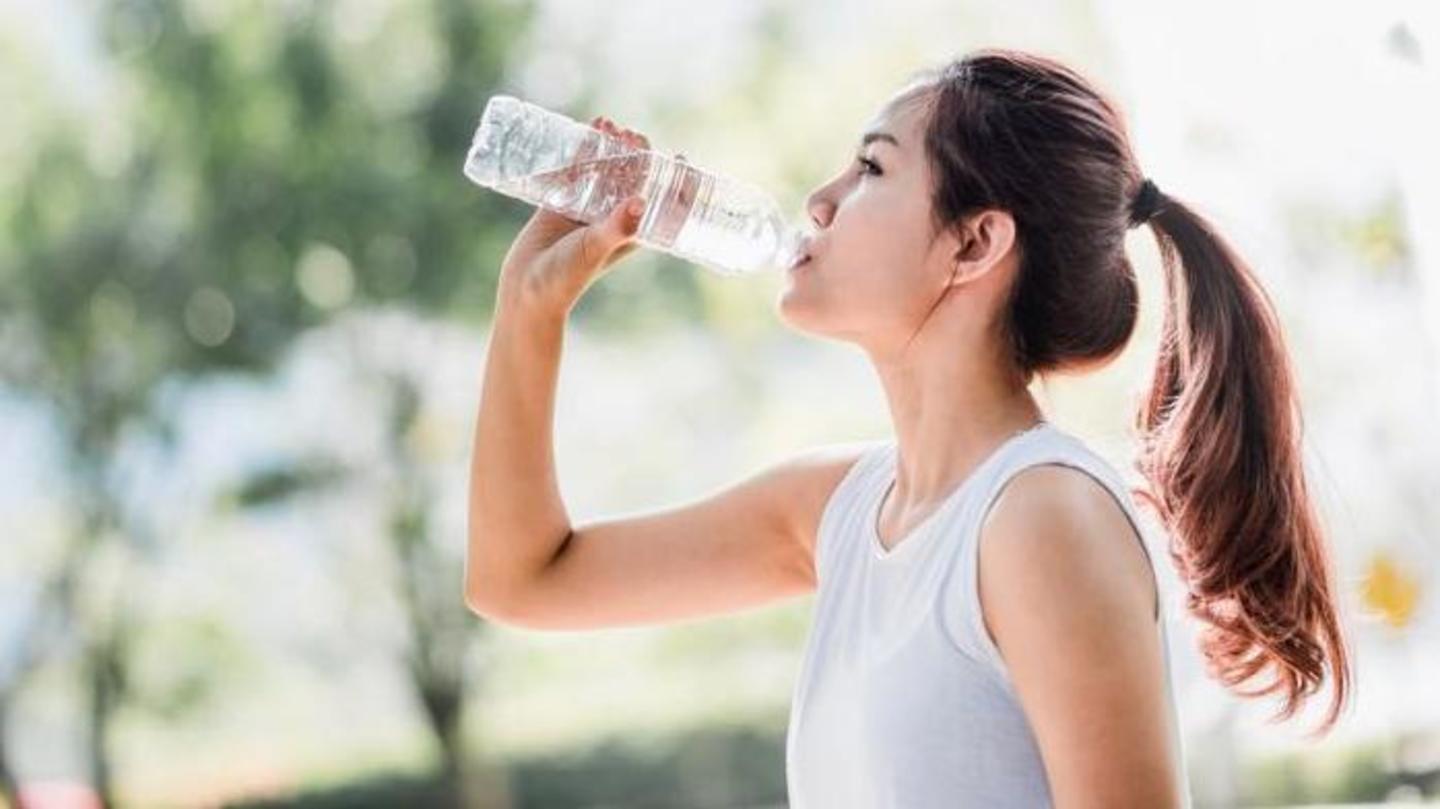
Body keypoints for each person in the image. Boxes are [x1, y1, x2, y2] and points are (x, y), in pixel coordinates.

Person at [464, 47, 1353, 808]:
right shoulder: (841, 510)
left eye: (872, 169)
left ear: (974, 244)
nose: (819, 199)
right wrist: (529, 309)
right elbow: (523, 580)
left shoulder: (1041, 518)